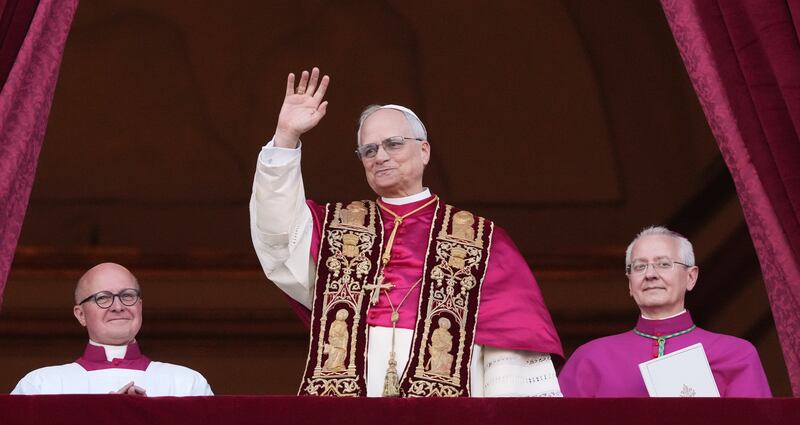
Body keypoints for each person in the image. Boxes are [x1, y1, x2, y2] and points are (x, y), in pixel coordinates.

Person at [250, 67, 563, 397]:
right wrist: (286, 138)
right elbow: (279, 235)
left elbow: (510, 352)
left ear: (424, 151)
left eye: (393, 144)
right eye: (368, 150)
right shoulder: (338, 229)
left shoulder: (482, 240)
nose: (380, 156)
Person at [558, 226, 771, 397]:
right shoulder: (590, 358)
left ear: (691, 277)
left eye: (663, 264)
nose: (650, 274)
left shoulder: (735, 355)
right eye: (640, 267)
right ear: (630, 284)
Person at [11, 263, 213, 396]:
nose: (118, 306)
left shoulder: (186, 384)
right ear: (80, 314)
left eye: (127, 295)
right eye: (103, 298)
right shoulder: (40, 386)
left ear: (140, 306)